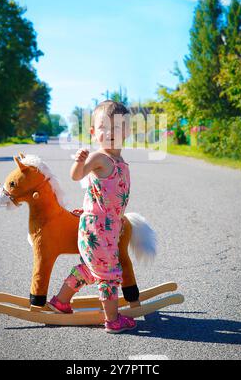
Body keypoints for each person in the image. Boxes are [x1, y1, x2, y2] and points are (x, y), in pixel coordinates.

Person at [48, 100, 137, 333]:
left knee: (91, 268)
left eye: (116, 128)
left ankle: (60, 301)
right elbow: (77, 176)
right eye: (103, 127)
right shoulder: (99, 158)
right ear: (93, 132)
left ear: (127, 132)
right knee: (108, 274)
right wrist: (78, 162)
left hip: (106, 229)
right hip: (97, 230)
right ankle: (112, 320)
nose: (109, 133)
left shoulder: (121, 163)